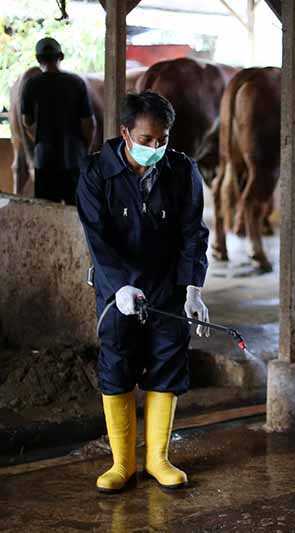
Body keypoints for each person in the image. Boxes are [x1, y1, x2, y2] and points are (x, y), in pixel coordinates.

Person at [76, 91, 210, 494]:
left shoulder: (182, 170)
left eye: (163, 140)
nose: (156, 148)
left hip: (167, 286)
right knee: (117, 364)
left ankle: (158, 459)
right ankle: (122, 464)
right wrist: (118, 284)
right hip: (117, 287)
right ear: (125, 133)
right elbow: (96, 237)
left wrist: (193, 288)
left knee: (168, 362)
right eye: (147, 139)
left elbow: (193, 232)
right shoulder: (97, 172)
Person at [21, 37, 95, 204]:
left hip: (44, 161)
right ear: (60, 56)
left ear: (38, 59)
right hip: (73, 159)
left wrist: (40, 139)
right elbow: (89, 125)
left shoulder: (31, 85)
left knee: (47, 213)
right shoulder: (76, 83)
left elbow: (27, 122)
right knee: (75, 212)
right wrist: (84, 151)